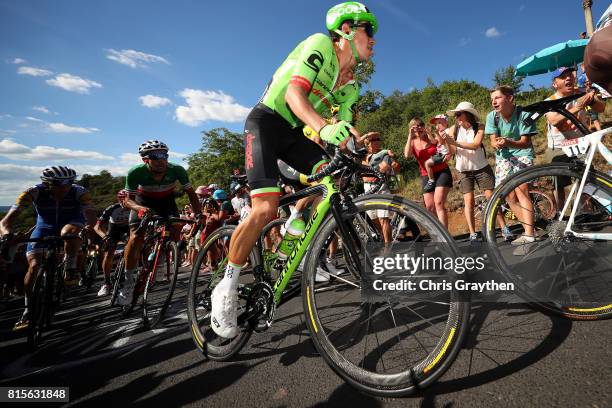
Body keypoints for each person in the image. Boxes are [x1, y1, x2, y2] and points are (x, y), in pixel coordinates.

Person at [209, 2, 377, 338]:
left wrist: (361, 158)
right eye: (367, 30)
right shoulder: (320, 45)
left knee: (334, 179)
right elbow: (294, 95)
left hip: (293, 136)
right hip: (265, 124)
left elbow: (340, 126)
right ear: (346, 30)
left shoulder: (351, 86)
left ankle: (293, 236)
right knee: (265, 207)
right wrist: (322, 126)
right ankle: (225, 288)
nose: (373, 39)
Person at [0, 166, 96, 330]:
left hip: (72, 222)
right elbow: (5, 222)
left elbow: (91, 216)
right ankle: (28, 309)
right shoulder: (32, 192)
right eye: (59, 184)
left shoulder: (80, 192)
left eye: (69, 183)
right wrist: (7, 234)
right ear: (47, 184)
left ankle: (70, 266)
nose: (65, 187)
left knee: (68, 232)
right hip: (44, 226)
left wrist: (89, 227)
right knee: (35, 266)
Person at [118, 140, 201, 305]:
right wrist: (139, 208)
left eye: (164, 155)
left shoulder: (176, 170)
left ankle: (162, 256)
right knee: (135, 237)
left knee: (177, 225)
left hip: (166, 201)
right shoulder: (135, 172)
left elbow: (191, 193)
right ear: (145, 160)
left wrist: (199, 214)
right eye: (155, 156)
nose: (161, 159)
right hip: (143, 201)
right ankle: (128, 282)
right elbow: (127, 200)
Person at [443, 102, 513, 243]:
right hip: (463, 170)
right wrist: (446, 142)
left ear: (467, 114)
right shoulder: (453, 129)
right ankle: (473, 233)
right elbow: (452, 152)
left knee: (492, 199)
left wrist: (454, 143)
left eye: (458, 114)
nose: (456, 117)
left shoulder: (479, 126)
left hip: (481, 167)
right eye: (455, 114)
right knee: (469, 202)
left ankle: (504, 227)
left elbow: (475, 145)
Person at [544, 67, 605, 210]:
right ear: (555, 84)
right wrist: (577, 107)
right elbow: (554, 120)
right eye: (563, 77)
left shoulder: (581, 92)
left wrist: (592, 99)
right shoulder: (550, 100)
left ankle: (585, 212)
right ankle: (561, 215)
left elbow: (601, 108)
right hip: (558, 147)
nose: (568, 78)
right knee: (559, 185)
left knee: (586, 180)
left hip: (581, 144)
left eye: (570, 75)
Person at [485, 86, 538, 251]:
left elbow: (526, 142)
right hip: (504, 156)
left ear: (510, 98)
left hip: (522, 153)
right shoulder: (491, 117)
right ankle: (531, 229)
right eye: (492, 99)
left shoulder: (524, 115)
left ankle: (529, 234)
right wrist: (498, 143)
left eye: (497, 98)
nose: (494, 101)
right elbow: (492, 142)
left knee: (521, 189)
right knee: (508, 195)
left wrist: (508, 142)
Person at [404, 117, 453, 228]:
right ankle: (438, 233)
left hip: (442, 171)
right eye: (416, 126)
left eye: (421, 125)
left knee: (439, 202)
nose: (419, 128)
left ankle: (445, 237)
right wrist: (409, 136)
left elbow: (438, 142)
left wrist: (429, 133)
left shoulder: (429, 136)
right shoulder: (412, 141)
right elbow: (407, 155)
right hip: (426, 175)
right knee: (430, 207)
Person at [362, 132, 400, 243]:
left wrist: (395, 165)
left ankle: (388, 246)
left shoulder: (385, 154)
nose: (377, 141)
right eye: (374, 139)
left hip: (381, 186)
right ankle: (387, 239)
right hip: (368, 189)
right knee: (373, 218)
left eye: (378, 138)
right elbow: (366, 171)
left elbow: (395, 170)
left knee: (384, 218)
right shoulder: (363, 155)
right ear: (367, 143)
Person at [93, 190, 131, 296]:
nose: (126, 202)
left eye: (129, 200)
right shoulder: (112, 208)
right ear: (118, 200)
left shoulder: (136, 208)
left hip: (128, 230)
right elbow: (97, 227)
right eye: (122, 200)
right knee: (109, 253)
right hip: (114, 230)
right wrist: (105, 237)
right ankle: (106, 283)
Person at [423, 116, 451, 193]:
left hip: (443, 154)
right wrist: (429, 133)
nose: (437, 125)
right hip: (439, 153)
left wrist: (436, 133)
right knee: (427, 163)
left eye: (439, 123)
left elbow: (442, 142)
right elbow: (434, 142)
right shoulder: (439, 132)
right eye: (436, 124)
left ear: (446, 123)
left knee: (427, 163)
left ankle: (431, 180)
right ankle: (431, 179)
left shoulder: (447, 131)